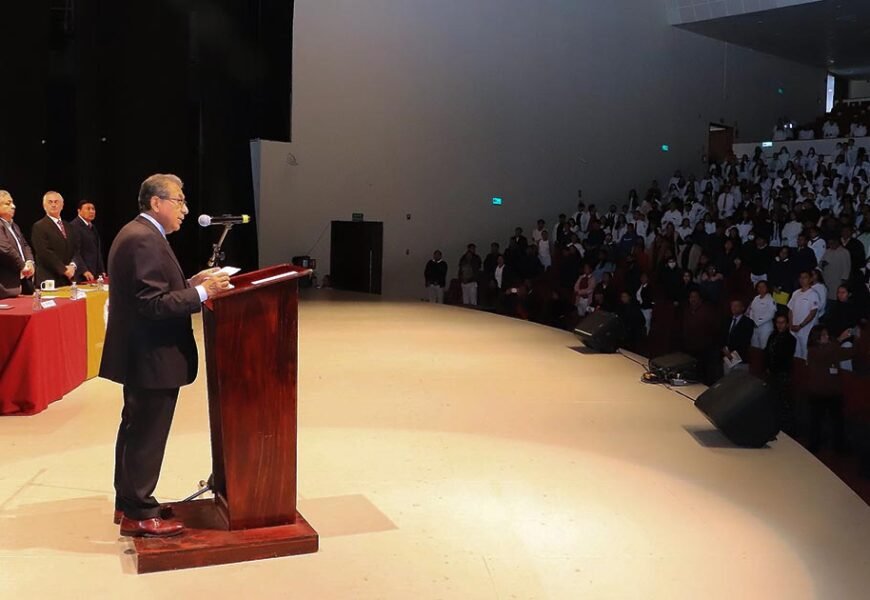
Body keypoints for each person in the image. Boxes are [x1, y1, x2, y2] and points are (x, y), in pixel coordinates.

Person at [99, 174, 230, 538]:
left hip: (144, 353)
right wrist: (202, 294)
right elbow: (152, 305)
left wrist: (190, 284)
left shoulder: (142, 234)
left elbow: (154, 291)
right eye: (179, 201)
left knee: (135, 430)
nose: (185, 210)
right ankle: (140, 512)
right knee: (146, 435)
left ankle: (128, 503)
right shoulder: (143, 239)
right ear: (156, 202)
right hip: (150, 355)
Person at [804, 325, 855, 453]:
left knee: (836, 422)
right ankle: (814, 446)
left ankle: (837, 446)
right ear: (816, 338)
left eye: (827, 334)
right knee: (816, 421)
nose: (827, 337)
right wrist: (839, 339)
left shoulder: (831, 348)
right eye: (823, 335)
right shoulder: (813, 350)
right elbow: (827, 353)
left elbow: (847, 353)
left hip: (832, 392)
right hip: (819, 392)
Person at [31, 191, 79, 287]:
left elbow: (76, 249)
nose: (53, 205)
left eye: (56, 202)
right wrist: (64, 270)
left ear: (62, 205)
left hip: (68, 279)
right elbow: (44, 252)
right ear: (44, 206)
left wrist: (73, 266)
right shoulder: (39, 226)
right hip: (49, 279)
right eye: (50, 202)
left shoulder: (69, 226)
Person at [765, 314, 797, 435]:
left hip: (782, 373)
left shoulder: (790, 339)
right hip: (772, 372)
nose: (780, 325)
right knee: (772, 398)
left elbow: (784, 357)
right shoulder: (772, 336)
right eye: (778, 322)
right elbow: (767, 352)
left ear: (787, 324)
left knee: (784, 400)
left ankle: (787, 427)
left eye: (782, 322)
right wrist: (767, 366)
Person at [0, 190, 35, 298]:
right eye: (8, 203)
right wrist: (22, 265)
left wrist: (29, 262)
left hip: (21, 282)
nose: (13, 206)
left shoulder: (14, 225)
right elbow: (5, 248)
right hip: (5, 287)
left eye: (12, 202)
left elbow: (25, 245)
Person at [68, 199, 106, 282]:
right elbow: (75, 252)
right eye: (88, 209)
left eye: (93, 209)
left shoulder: (93, 227)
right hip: (82, 275)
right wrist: (84, 270)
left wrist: (101, 270)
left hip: (95, 273)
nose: (92, 211)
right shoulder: (74, 226)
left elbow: (97, 251)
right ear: (79, 211)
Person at [788, 271, 820, 360]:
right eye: (801, 277)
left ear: (810, 279)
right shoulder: (795, 293)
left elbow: (813, 312)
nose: (802, 280)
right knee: (795, 354)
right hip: (793, 329)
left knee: (805, 355)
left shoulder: (813, 294)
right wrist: (790, 324)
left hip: (806, 330)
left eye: (805, 277)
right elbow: (790, 309)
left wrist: (801, 325)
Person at [722, 299, 753, 371]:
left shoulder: (748, 322)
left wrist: (732, 354)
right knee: (727, 380)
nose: (733, 308)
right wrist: (725, 350)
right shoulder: (727, 320)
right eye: (732, 305)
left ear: (742, 308)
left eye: (736, 306)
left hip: (741, 358)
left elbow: (745, 341)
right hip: (726, 357)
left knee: (739, 380)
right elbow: (723, 336)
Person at [748, 281, 776, 350]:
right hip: (754, 327)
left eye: (763, 286)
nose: (761, 288)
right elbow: (751, 311)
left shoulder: (771, 299)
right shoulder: (756, 298)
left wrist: (758, 322)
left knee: (764, 348)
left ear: (767, 288)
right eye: (759, 287)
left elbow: (771, 314)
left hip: (765, 327)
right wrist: (752, 321)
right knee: (754, 348)